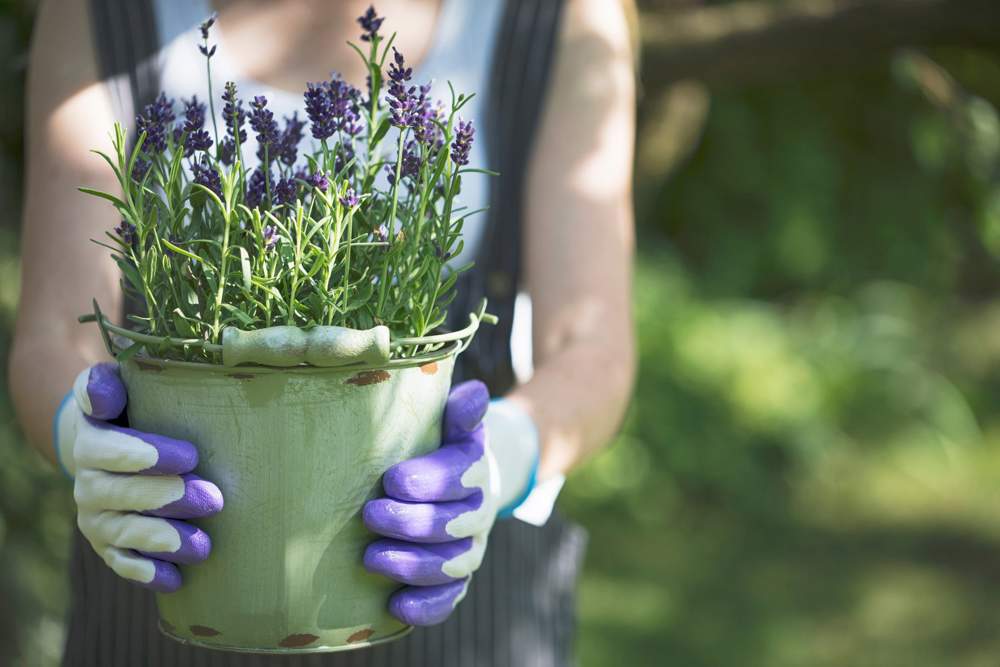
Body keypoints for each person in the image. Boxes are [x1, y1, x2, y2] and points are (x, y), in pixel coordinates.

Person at [10, 0, 636, 664]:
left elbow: (591, 344)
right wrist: (85, 437)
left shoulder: (554, 16)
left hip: (444, 595)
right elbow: (54, 329)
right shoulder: (102, 13)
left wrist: (505, 456)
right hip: (169, 571)